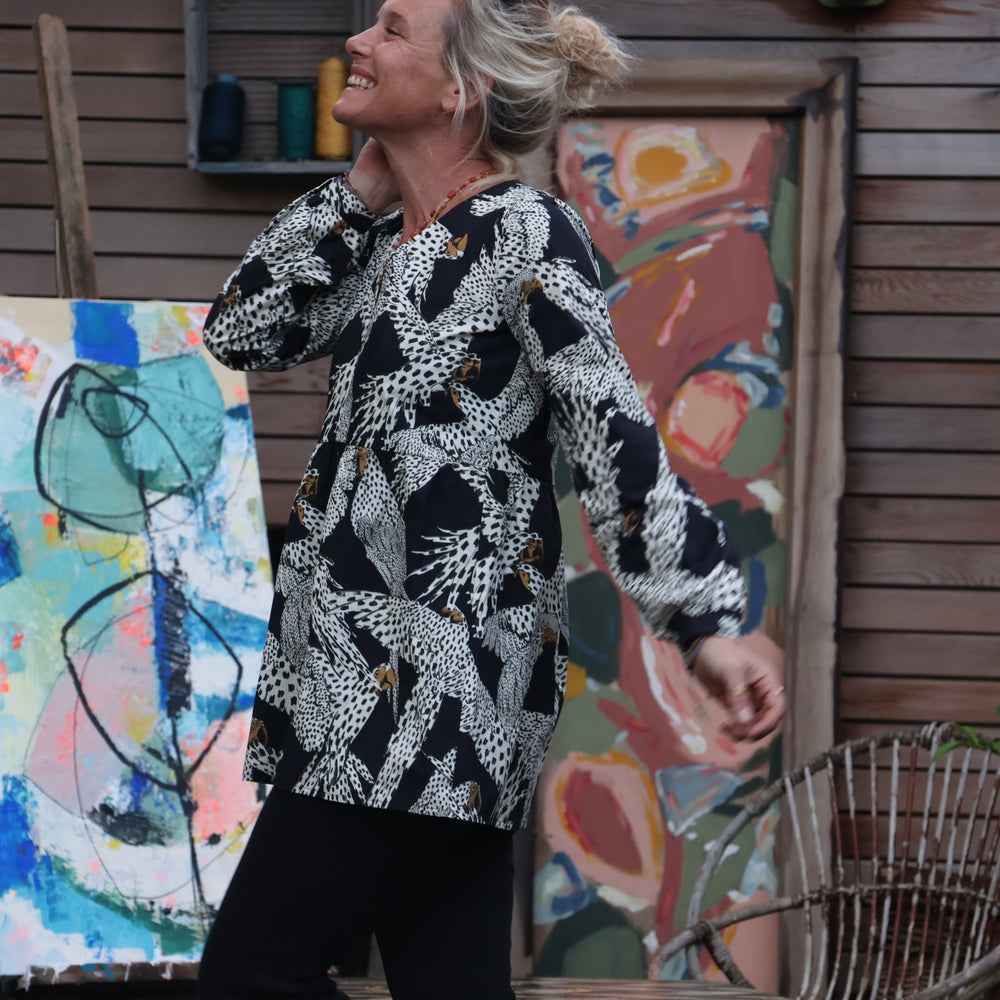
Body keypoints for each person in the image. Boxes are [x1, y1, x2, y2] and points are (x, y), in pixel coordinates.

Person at [196, 0, 785, 997]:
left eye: (392, 29)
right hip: (363, 683)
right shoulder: (384, 240)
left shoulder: (525, 231)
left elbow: (610, 426)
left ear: (461, 89)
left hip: (426, 690)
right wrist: (360, 191)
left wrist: (704, 621)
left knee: (254, 972)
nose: (357, 42)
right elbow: (243, 332)